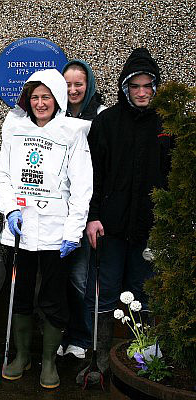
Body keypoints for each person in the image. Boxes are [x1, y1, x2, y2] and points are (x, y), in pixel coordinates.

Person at [0, 69, 93, 389]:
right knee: (20, 294)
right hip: (21, 229)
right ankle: (22, 355)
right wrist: (9, 209)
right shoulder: (14, 128)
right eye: (35, 97)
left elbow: (82, 186)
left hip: (55, 230)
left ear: (57, 99)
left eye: (46, 97)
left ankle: (48, 361)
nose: (40, 103)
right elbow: (3, 175)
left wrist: (73, 231)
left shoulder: (73, 132)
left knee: (52, 297)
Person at [80, 48, 171, 382]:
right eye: (136, 86)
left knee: (142, 292)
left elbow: (174, 175)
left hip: (150, 228)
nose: (143, 92)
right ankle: (98, 362)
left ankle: (143, 363)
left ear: (156, 88)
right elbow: (93, 174)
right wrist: (93, 216)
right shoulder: (106, 123)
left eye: (149, 86)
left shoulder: (167, 124)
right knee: (103, 292)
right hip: (110, 227)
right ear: (125, 87)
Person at [57, 60, 107, 360]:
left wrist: (94, 213)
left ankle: (82, 336)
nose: (73, 90)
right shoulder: (55, 115)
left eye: (79, 84)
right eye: (68, 85)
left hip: (85, 210)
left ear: (88, 86)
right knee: (58, 279)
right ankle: (60, 334)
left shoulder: (100, 117)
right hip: (56, 211)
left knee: (80, 278)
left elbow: (101, 168)